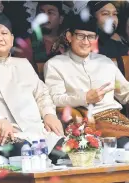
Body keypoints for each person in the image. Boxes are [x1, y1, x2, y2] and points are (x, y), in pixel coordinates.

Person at [0, 13, 64, 163]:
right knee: (30, 158)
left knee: (71, 152)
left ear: (12, 39)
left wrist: (49, 114)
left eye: (4, 33)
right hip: (5, 135)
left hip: (38, 131)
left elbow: (42, 94)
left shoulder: (23, 64)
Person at [44, 16, 129, 147]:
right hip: (87, 121)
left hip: (116, 119)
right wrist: (85, 98)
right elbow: (55, 99)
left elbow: (125, 93)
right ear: (69, 36)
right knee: (124, 143)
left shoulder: (105, 62)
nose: (85, 42)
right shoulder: (55, 64)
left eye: (90, 37)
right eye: (80, 36)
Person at [15, 1, 64, 74]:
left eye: (50, 13)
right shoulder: (26, 45)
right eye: (41, 12)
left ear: (60, 19)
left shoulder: (69, 43)